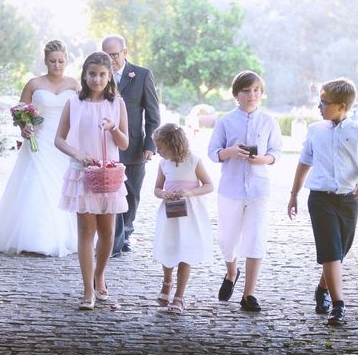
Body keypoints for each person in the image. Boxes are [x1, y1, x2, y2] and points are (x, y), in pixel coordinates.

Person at [0, 40, 80, 256]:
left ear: (66, 61)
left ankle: (65, 236)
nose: (57, 65)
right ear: (45, 61)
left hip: (64, 142)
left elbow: (80, 114)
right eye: (52, 61)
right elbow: (21, 112)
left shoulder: (74, 85)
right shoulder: (33, 84)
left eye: (61, 61)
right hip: (39, 141)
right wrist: (25, 127)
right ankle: (36, 238)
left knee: (61, 185)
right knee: (37, 185)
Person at [287, 78, 358, 326]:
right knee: (330, 250)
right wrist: (294, 194)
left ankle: (322, 288)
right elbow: (304, 162)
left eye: (324, 102)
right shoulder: (315, 130)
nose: (319, 107)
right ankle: (339, 305)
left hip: (349, 200)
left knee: (339, 251)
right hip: (320, 199)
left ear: (342, 106)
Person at [55, 51, 129, 310]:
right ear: (84, 75)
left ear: (110, 77)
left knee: (107, 232)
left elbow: (125, 142)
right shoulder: (73, 103)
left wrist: (114, 128)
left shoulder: (116, 104)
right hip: (82, 172)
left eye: (102, 75)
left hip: (108, 173)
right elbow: (59, 139)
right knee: (86, 231)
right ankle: (87, 289)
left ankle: (100, 275)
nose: (97, 79)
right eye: (92, 74)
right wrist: (77, 154)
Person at [207, 70, 283, 312]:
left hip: (259, 189)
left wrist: (264, 159)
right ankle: (231, 271)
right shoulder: (226, 121)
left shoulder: (270, 121)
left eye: (256, 91)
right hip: (230, 189)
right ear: (236, 94)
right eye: (246, 91)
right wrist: (230, 151)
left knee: (255, 238)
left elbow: (277, 152)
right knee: (227, 239)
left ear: (261, 93)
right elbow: (213, 152)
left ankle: (249, 294)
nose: (252, 95)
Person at [102, 35, 160, 257]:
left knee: (132, 193)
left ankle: (126, 232)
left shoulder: (142, 75)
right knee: (109, 192)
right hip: (106, 144)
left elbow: (153, 115)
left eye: (115, 54)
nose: (111, 59)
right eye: (107, 55)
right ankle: (112, 237)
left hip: (135, 145)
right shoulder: (99, 75)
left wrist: (150, 145)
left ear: (125, 52)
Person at [152, 123, 214, 315]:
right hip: (170, 213)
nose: (158, 151)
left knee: (185, 251)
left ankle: (179, 295)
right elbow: (157, 189)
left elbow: (209, 185)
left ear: (172, 144)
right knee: (169, 247)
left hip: (189, 214)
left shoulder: (194, 161)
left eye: (160, 147)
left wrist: (189, 192)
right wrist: (164, 194)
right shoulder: (163, 164)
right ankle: (167, 281)